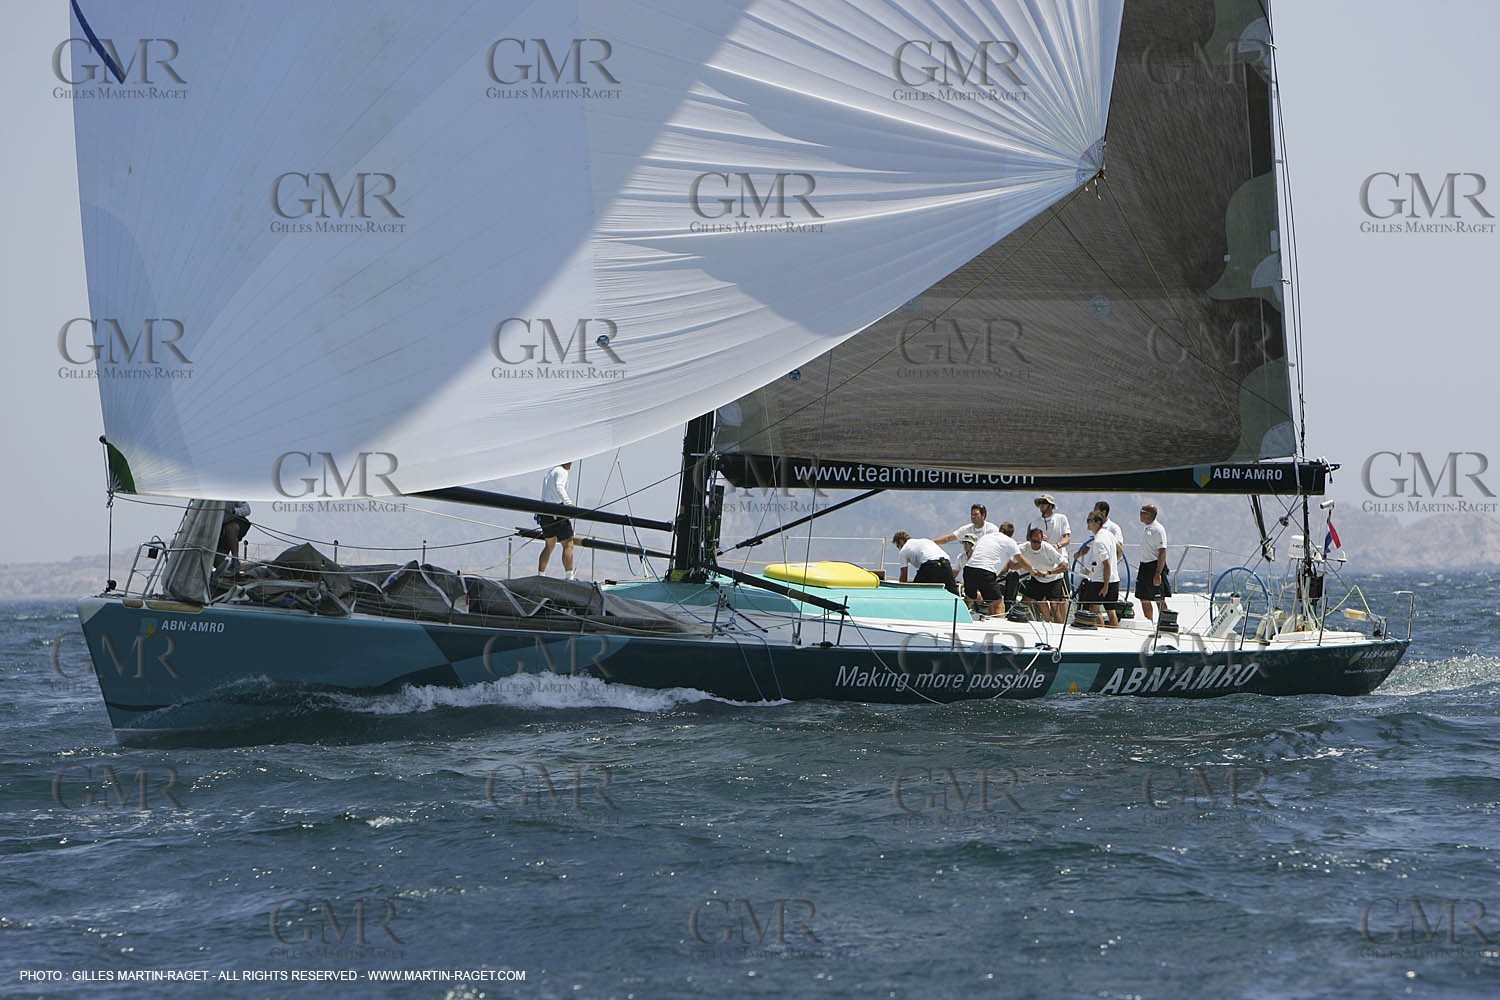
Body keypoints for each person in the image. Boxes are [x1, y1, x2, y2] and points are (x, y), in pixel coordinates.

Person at [959, 528, 1027, 616]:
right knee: (998, 602)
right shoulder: (1009, 542)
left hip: (969, 569)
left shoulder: (985, 537)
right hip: (986, 572)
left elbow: (972, 554)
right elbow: (1020, 562)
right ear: (1011, 535)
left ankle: (960, 616)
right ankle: (998, 625)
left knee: (970, 597)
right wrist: (1032, 570)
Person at [1017, 527, 1068, 623]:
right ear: (1029, 539)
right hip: (1037, 579)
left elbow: (1065, 567)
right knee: (1024, 603)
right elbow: (1011, 558)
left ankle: (1059, 631)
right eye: (1034, 541)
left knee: (1054, 606)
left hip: (1054, 579)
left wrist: (1048, 572)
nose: (1036, 545)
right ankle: (1017, 623)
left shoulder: (1048, 549)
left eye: (1039, 542)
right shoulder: (1023, 548)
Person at [1079, 511, 1119, 626]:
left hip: (1100, 581)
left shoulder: (1098, 541)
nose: (1087, 523)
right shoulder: (1109, 535)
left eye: (1089, 521)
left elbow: (1106, 564)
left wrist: (1105, 586)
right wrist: (1114, 566)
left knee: (1094, 609)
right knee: (1111, 611)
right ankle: (1113, 637)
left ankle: (1100, 635)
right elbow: (1120, 551)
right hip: (1114, 578)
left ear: (1097, 523)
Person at [538, 462, 576, 579]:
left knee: (549, 545)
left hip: (544, 512)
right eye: (569, 461)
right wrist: (568, 504)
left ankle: (541, 575)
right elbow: (559, 486)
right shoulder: (562, 471)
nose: (571, 464)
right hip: (557, 511)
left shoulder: (550, 472)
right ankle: (569, 577)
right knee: (568, 544)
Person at [892, 530, 959, 595]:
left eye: (898, 546)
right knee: (953, 593)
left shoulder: (903, 551)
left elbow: (903, 578)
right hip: (946, 563)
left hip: (930, 565)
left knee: (914, 592)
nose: (899, 548)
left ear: (901, 542)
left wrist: (900, 593)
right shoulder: (925, 540)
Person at [1137, 502, 1171, 622]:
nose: (1140, 514)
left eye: (1143, 512)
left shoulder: (1158, 529)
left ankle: (1166, 623)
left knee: (1159, 598)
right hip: (1144, 566)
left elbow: (1162, 552)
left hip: (1154, 566)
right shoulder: (1146, 529)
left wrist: (1158, 573)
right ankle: (1149, 623)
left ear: (1150, 515)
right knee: (1143, 597)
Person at [933, 503, 1000, 545]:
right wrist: (930, 543)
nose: (973, 517)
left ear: (983, 515)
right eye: (972, 514)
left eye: (976, 514)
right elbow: (948, 538)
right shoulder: (966, 529)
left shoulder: (992, 529)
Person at [215, 501, 251, 570]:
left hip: (236, 523)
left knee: (230, 528)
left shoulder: (232, 494)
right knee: (217, 562)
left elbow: (247, 510)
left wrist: (234, 511)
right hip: (219, 529)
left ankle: (235, 559)